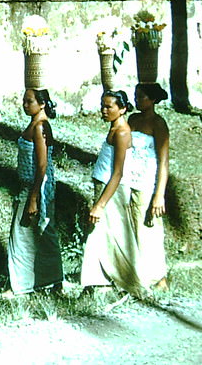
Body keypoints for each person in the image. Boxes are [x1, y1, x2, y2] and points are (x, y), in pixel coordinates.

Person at [80, 90, 139, 294]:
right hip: (104, 188)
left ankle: (108, 282)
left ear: (122, 109)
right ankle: (99, 282)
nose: (103, 110)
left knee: (103, 234)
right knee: (101, 235)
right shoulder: (114, 129)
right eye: (102, 105)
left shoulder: (122, 132)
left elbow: (118, 173)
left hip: (112, 191)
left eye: (109, 107)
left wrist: (100, 204)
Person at [7, 89, 63, 295]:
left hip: (36, 186)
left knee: (30, 233)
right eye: (23, 101)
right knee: (30, 234)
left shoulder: (40, 127)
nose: (24, 105)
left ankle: (30, 283)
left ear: (42, 104)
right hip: (27, 185)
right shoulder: (34, 124)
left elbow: (42, 165)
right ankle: (45, 280)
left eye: (29, 101)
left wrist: (33, 197)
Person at [128, 83, 170, 290]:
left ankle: (157, 277)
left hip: (146, 182)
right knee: (131, 229)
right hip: (128, 179)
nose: (137, 100)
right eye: (136, 96)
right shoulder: (133, 119)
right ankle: (134, 273)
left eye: (141, 97)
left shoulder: (158, 124)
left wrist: (159, 194)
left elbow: (163, 162)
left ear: (152, 100)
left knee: (148, 231)